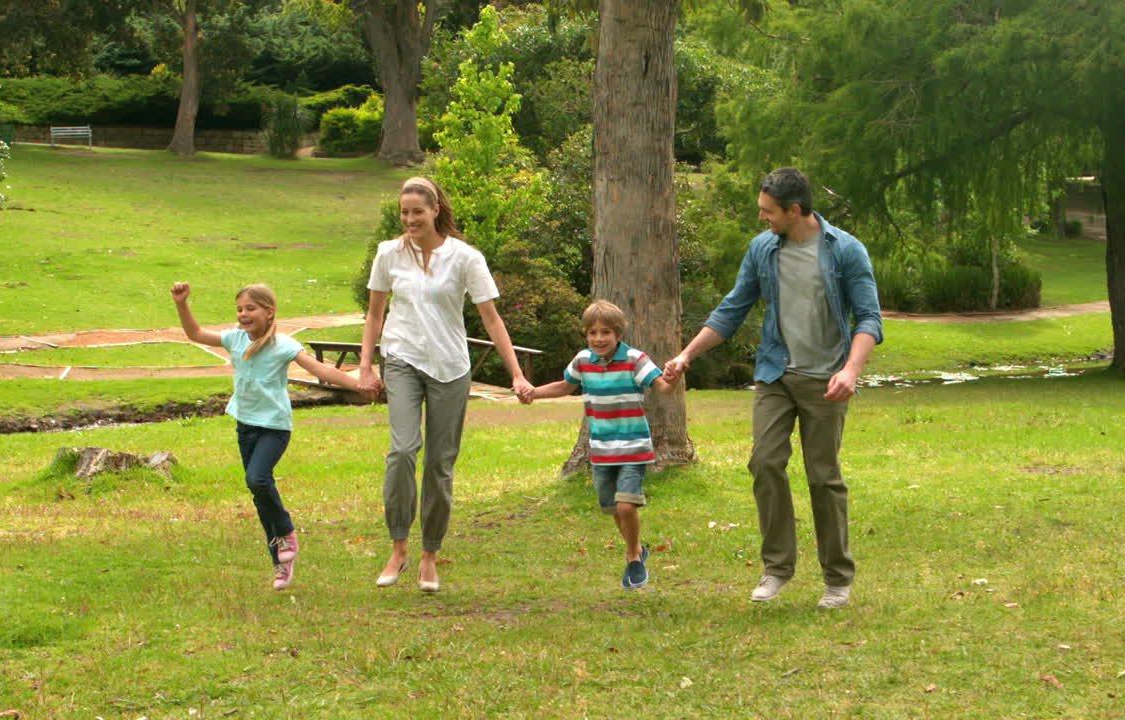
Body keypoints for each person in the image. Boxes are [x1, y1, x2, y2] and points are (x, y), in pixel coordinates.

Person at [663, 168, 883, 609]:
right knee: (764, 463)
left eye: (767, 211)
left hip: (826, 380)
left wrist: (851, 371)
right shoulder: (763, 250)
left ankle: (837, 579)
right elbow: (732, 309)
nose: (761, 218)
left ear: (794, 210)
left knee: (824, 478)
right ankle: (777, 568)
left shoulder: (845, 251)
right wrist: (686, 355)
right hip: (776, 374)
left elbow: (869, 318)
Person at [357, 176, 533, 593]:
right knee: (402, 451)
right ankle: (398, 547)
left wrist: (517, 373)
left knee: (440, 464)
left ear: (435, 210)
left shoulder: (465, 258)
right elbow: (375, 314)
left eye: (417, 211)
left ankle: (429, 555)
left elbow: (491, 318)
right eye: (404, 212)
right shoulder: (388, 254)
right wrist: (366, 366)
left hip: (451, 367)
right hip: (401, 358)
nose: (410, 219)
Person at [171, 282, 361, 591]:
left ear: (269, 312)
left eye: (250, 308)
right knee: (260, 497)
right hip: (245, 426)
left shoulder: (284, 346)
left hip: (274, 427)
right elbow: (195, 334)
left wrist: (357, 384)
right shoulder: (235, 340)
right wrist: (182, 304)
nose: (243, 314)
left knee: (257, 480)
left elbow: (321, 371)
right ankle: (280, 563)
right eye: (239, 309)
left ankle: (286, 530)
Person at [527, 301, 677, 589]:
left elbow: (664, 388)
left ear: (618, 333)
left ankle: (633, 556)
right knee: (611, 507)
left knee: (625, 506)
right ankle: (638, 548)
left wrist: (675, 376)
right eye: (592, 332)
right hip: (601, 450)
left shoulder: (635, 359)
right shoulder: (583, 361)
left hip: (633, 447)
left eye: (605, 332)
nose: (599, 338)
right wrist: (533, 393)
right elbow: (564, 386)